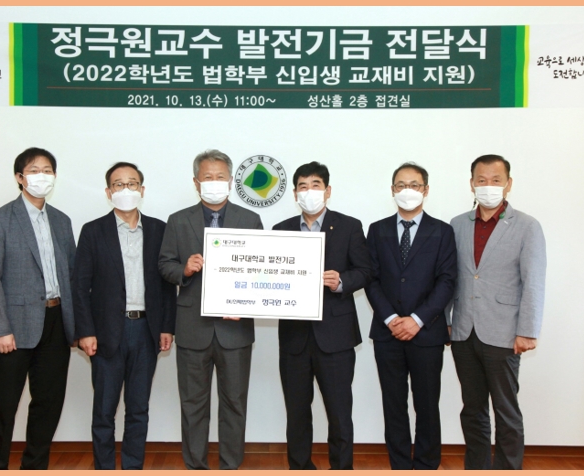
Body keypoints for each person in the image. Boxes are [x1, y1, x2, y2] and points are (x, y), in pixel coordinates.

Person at [158, 149, 263, 470]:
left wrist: (247, 303)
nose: (214, 182)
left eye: (220, 177)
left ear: (230, 181)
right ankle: (196, 466)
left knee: (235, 404)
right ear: (196, 182)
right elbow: (164, 264)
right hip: (193, 328)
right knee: (193, 404)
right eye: (207, 177)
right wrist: (184, 269)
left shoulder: (249, 219)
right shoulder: (178, 220)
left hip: (235, 329)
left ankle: (230, 466)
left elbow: (260, 271)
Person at [72, 162, 177, 470]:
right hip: (106, 332)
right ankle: (104, 468)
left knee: (138, 409)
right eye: (119, 184)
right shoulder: (93, 231)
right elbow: (80, 287)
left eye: (132, 183)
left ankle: (132, 467)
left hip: (146, 330)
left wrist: (167, 327)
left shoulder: (159, 230)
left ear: (142, 190)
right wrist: (85, 331)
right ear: (109, 192)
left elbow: (166, 284)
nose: (126, 189)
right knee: (104, 411)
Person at [0, 147, 76, 470]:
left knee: (49, 403)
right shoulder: (0, 220)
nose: (41, 176)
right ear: (20, 178)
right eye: (34, 171)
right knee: (3, 405)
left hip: (56, 322)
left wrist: (76, 327)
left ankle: (34, 467)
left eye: (47, 170)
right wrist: (0, 329)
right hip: (14, 327)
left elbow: (71, 275)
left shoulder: (62, 221)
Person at [272, 161, 372, 470]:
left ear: (327, 191)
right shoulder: (281, 230)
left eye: (315, 185)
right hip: (295, 339)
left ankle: (341, 469)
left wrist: (341, 281)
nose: (309, 192)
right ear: (294, 194)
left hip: (336, 338)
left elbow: (365, 271)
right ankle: (300, 467)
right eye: (302, 186)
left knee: (340, 413)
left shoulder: (349, 226)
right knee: (297, 414)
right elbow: (271, 277)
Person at [449, 154, 546, 470]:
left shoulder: (527, 226)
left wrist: (527, 331)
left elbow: (534, 281)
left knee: (506, 410)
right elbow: (449, 277)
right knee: (472, 409)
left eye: (495, 180)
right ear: (471, 184)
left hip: (504, 333)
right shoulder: (457, 224)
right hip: (464, 331)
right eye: (481, 180)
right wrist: (447, 320)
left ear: (508, 184)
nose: (487, 186)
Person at [364, 162, 457, 470]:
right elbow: (371, 279)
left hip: (426, 333)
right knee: (393, 405)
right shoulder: (376, 230)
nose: (408, 190)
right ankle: (400, 465)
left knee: (427, 405)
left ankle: (427, 465)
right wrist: (391, 318)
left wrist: (416, 319)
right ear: (392, 190)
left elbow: (447, 281)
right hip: (387, 333)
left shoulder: (442, 231)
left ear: (425, 190)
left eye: (414, 185)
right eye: (401, 185)